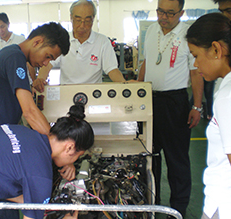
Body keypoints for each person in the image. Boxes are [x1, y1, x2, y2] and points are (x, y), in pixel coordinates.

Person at [137, 0, 203, 217]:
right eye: (160, 11)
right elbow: (146, 63)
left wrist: (197, 105)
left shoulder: (188, 35)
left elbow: (195, 73)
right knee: (149, 157)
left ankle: (178, 209)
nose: (163, 17)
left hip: (175, 103)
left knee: (177, 162)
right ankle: (151, 205)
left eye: (170, 13)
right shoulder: (152, 30)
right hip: (150, 100)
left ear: (181, 13)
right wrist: (138, 90)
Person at [0, 22, 69, 137]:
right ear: (37, 42)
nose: (45, 63)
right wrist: (55, 142)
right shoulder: (14, 57)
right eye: (48, 56)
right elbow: (29, 112)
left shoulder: (12, 54)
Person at [186, 13, 231, 219]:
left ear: (216, 49)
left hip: (223, 204)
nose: (195, 65)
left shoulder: (226, 95)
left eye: (195, 55)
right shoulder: (224, 85)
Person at [33, 0, 126, 93]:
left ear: (93, 19)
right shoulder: (62, 40)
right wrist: (40, 79)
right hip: (67, 93)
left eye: (87, 21)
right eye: (78, 20)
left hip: (94, 94)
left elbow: (112, 70)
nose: (82, 26)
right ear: (71, 18)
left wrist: (125, 85)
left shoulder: (102, 42)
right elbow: (48, 64)